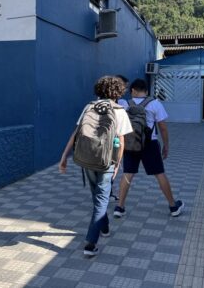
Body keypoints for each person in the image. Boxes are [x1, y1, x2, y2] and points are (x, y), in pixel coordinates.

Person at [59, 76, 133, 257]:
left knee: (98, 197)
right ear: (119, 92)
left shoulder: (89, 107)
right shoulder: (120, 111)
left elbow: (76, 133)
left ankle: (105, 228)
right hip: (106, 161)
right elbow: (121, 141)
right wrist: (117, 164)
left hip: (86, 158)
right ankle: (90, 243)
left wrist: (64, 157)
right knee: (101, 199)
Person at [114, 78, 184, 218]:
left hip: (130, 143)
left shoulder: (123, 104)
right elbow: (163, 128)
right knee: (159, 173)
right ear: (146, 91)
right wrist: (166, 146)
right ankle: (173, 206)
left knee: (128, 173)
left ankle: (119, 207)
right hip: (149, 144)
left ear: (132, 90)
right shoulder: (155, 104)